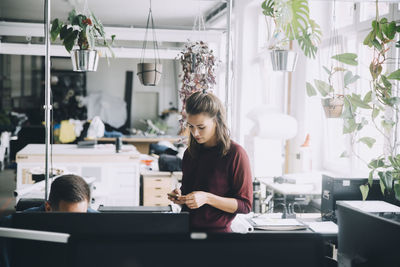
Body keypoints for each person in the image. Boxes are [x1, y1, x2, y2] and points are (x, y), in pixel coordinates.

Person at [168, 91, 253, 232]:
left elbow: (245, 206)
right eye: (191, 126)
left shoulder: (235, 154)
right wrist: (180, 197)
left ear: (217, 121)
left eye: (201, 127)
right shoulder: (190, 153)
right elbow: (190, 195)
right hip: (187, 233)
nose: (195, 133)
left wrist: (207, 198)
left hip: (219, 240)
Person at [0, 174, 95, 267]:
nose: (76, 224)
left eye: (82, 215)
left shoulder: (101, 223)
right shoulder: (11, 227)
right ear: (48, 208)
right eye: (68, 217)